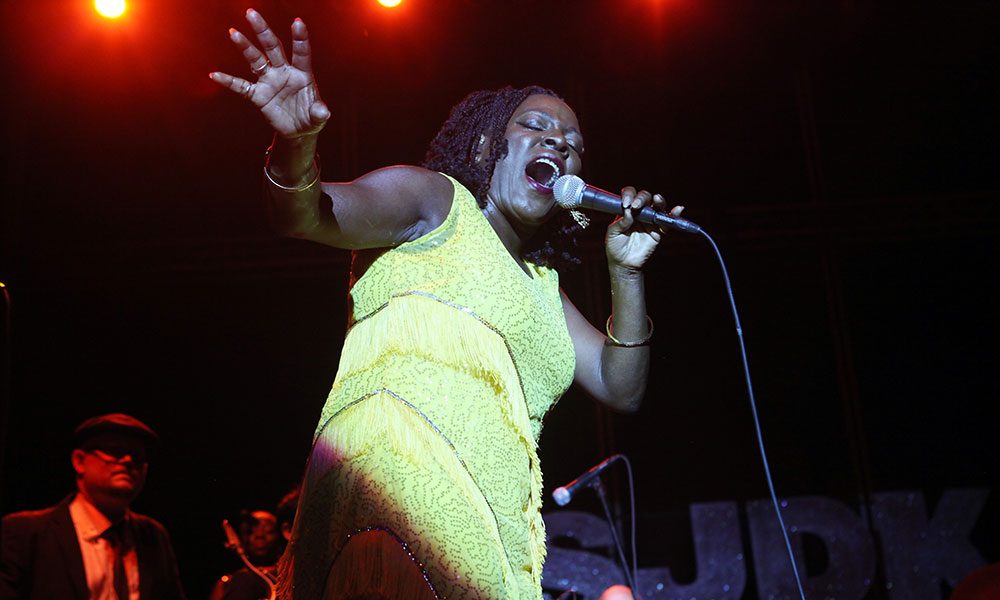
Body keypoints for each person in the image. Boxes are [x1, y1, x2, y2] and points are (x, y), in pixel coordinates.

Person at [210, 9, 682, 599]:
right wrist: (296, 142)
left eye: (573, 145)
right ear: (488, 143)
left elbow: (622, 386)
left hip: (498, 535)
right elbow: (302, 217)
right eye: (536, 127)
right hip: (390, 507)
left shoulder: (541, 284)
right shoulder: (434, 202)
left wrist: (626, 273)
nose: (558, 144)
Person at [0, 413, 187, 599]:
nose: (128, 461)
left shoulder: (154, 537)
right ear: (79, 461)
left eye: (138, 456)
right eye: (115, 450)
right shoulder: (25, 534)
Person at [208, 510, 281, 600]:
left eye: (268, 531)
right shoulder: (226, 583)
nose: (259, 535)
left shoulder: (289, 577)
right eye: (251, 532)